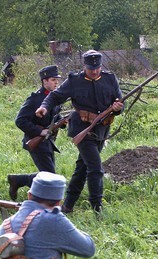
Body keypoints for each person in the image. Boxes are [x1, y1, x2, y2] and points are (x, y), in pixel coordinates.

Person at [35, 50, 123, 214]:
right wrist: (44, 107)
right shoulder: (74, 81)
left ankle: (68, 205)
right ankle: (97, 208)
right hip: (81, 129)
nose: (95, 71)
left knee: (82, 167)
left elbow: (118, 101)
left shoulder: (110, 78)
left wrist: (118, 108)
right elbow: (55, 97)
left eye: (97, 68)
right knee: (96, 168)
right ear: (84, 66)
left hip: (101, 129)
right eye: (91, 68)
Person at [7, 65, 64, 201]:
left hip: (48, 142)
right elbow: (20, 121)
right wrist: (40, 131)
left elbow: (54, 117)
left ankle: (19, 181)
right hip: (36, 141)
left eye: (57, 80)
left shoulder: (55, 99)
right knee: (50, 177)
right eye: (52, 80)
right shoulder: (35, 99)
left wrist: (62, 122)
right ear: (44, 81)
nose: (56, 82)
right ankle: (20, 181)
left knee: (48, 176)